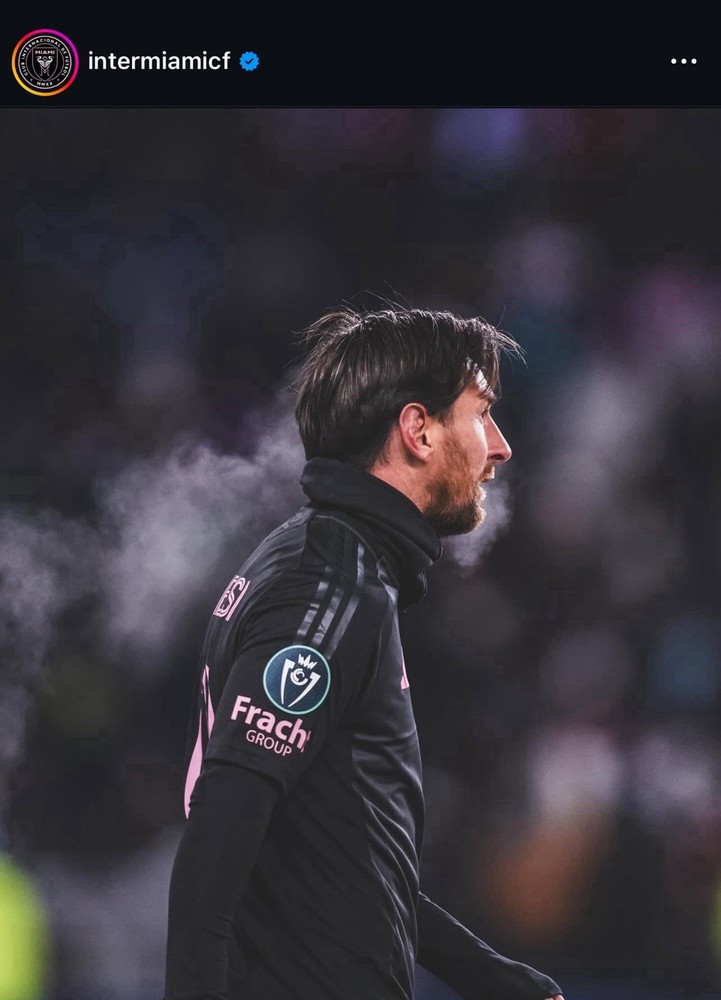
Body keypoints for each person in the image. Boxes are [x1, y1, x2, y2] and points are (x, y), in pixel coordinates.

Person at [163, 307, 564, 1000]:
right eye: (481, 414)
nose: (499, 447)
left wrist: (486, 975)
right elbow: (222, 819)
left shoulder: (322, 562)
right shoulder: (332, 583)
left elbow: (338, 853)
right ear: (418, 430)